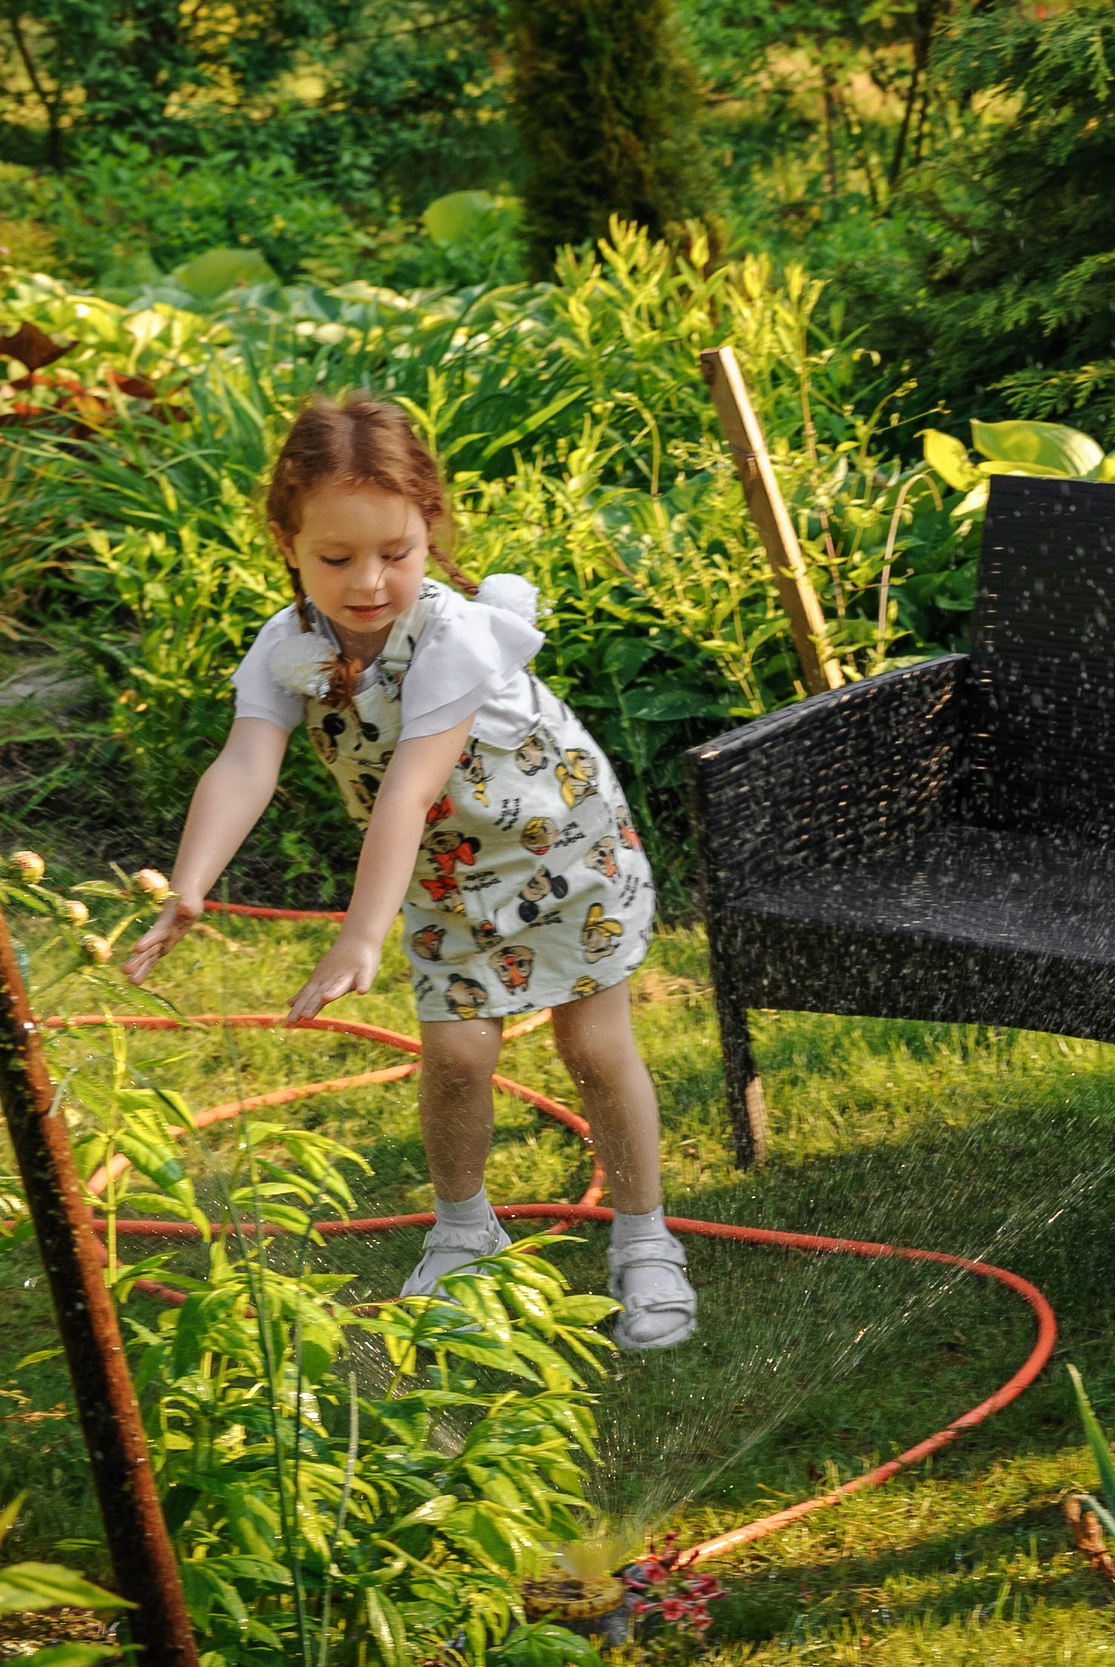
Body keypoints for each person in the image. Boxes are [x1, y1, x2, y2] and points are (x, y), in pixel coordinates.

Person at [122, 391, 696, 1352]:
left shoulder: (455, 636)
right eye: (336, 558)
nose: (370, 582)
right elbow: (244, 763)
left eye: (397, 552)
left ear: (430, 528)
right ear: (288, 541)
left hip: (563, 849)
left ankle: (645, 1240)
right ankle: (463, 1233)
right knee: (459, 1057)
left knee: (594, 1049)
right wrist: (189, 884)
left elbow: (406, 791)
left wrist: (358, 935)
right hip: (444, 872)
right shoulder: (286, 647)